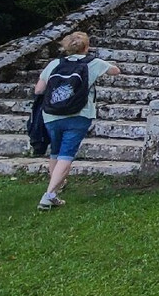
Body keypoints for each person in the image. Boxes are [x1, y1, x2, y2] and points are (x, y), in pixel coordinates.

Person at [33, 32, 119, 210]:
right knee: (67, 154)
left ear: (66, 47)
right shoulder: (93, 63)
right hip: (79, 114)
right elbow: (115, 71)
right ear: (86, 47)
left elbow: (39, 90)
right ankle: (48, 195)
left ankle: (54, 192)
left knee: (55, 151)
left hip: (52, 115)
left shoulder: (55, 63)